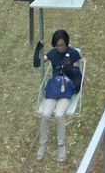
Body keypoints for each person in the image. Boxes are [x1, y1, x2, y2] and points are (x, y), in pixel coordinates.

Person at [35, 29, 81, 162]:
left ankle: (61, 145)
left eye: (62, 45)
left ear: (66, 43)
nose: (60, 48)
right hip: (54, 88)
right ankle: (43, 143)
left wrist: (69, 71)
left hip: (66, 89)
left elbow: (77, 76)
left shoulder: (73, 54)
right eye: (57, 45)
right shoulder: (53, 53)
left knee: (59, 114)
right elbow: (37, 63)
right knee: (45, 114)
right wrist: (38, 48)